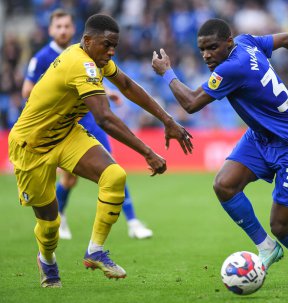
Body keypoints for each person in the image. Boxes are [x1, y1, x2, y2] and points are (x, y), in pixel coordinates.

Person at [9, 13, 193, 288]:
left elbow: (128, 86)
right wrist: (148, 152)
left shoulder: (97, 60)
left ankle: (95, 250)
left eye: (114, 46)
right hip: (31, 145)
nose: (111, 51)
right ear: (87, 41)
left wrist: (168, 120)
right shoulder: (80, 64)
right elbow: (104, 118)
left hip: (66, 135)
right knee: (50, 226)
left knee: (114, 176)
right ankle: (46, 259)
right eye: (107, 45)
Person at [152, 18, 288, 287]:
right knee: (224, 185)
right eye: (203, 50)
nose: (207, 55)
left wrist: (167, 73)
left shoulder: (233, 68)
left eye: (213, 47)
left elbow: (191, 103)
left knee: (280, 226)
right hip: (261, 136)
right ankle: (267, 248)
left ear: (228, 43)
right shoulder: (247, 42)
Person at [22, 9, 153, 241]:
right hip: (55, 126)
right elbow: (29, 91)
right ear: (51, 30)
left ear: (75, 30)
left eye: (66, 26)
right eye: (58, 27)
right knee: (68, 180)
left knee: (112, 169)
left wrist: (107, 92)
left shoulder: (95, 54)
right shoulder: (43, 57)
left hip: (89, 116)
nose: (63, 30)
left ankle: (132, 221)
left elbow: (93, 84)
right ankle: (58, 219)